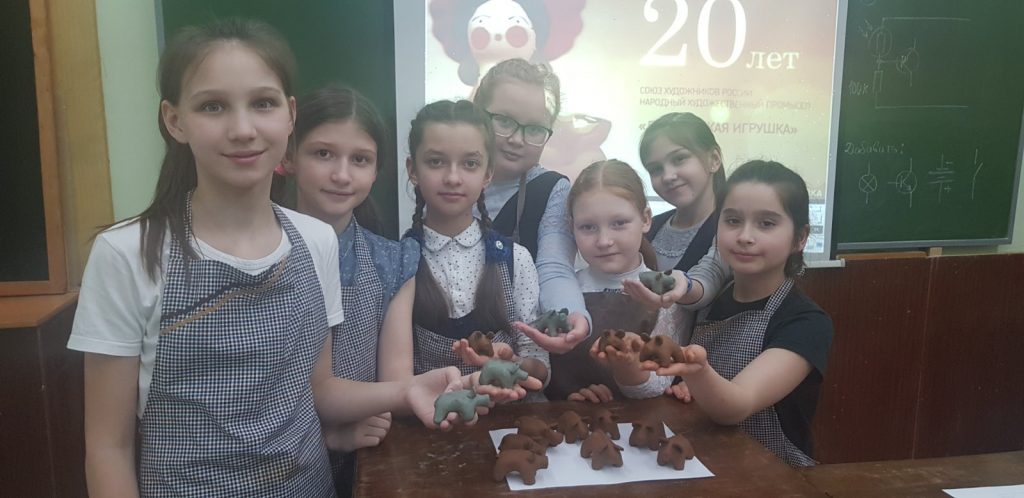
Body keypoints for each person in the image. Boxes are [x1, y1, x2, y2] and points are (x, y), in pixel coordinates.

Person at [68, 19, 477, 496]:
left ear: (289, 116)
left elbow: (320, 390)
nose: (243, 130)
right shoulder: (127, 253)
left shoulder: (315, 241)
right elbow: (108, 448)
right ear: (174, 120)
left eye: (263, 103)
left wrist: (408, 390)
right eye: (213, 106)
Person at [643, 160, 834, 466]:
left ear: (800, 238)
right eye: (732, 220)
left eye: (766, 224)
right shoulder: (707, 301)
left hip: (776, 476)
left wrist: (697, 374)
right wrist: (686, 388)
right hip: (703, 463)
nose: (745, 236)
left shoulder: (805, 323)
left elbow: (736, 406)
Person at [282, 85, 418, 494]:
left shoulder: (394, 262)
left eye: (360, 160)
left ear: (377, 171)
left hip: (363, 456)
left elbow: (395, 381)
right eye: (323, 153)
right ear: (289, 156)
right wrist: (326, 435)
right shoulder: (256, 254)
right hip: (269, 461)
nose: (342, 175)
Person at [403, 99, 548, 392]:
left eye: (470, 164)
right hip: (428, 418)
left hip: (509, 417)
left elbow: (541, 370)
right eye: (436, 162)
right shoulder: (399, 261)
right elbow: (394, 378)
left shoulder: (515, 259)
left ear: (488, 173)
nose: (453, 178)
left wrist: (512, 364)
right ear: (413, 169)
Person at [471, 58, 591, 354]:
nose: (516, 139)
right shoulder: (448, 178)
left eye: (534, 129)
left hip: (518, 351)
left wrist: (571, 314)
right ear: (477, 113)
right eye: (504, 121)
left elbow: (554, 267)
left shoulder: (552, 189)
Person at [541, 160, 687, 403]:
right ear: (571, 227)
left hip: (639, 423)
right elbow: (540, 366)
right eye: (588, 227)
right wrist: (568, 396)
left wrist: (626, 365)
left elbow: (658, 384)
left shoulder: (667, 295)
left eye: (619, 223)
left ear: (646, 219)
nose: (604, 241)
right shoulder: (557, 293)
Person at [621, 112, 732, 401]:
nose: (668, 175)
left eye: (680, 159)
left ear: (714, 159)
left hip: (695, 390)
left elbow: (708, 280)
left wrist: (683, 286)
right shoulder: (649, 227)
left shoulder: (731, 229)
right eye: (655, 168)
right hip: (634, 382)